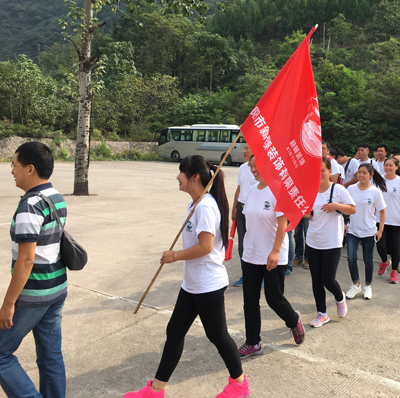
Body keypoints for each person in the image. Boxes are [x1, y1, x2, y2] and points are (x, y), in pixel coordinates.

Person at [125, 155, 250, 398]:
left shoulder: (205, 207)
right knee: (174, 332)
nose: (177, 177)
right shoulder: (196, 204)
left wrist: (175, 256)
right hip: (193, 284)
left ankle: (240, 384)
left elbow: (206, 247)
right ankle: (156, 390)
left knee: (218, 336)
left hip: (208, 284)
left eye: (181, 172)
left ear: (194, 177)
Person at [0, 142, 68, 398]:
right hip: (56, 288)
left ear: (30, 169)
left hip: (34, 294)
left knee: (1, 354)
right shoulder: (56, 196)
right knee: (50, 356)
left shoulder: (30, 205)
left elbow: (26, 260)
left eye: (14, 165)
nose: (11, 171)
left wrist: (8, 303)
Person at [238, 156, 305, 359]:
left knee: (274, 298)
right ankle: (253, 342)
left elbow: (283, 225)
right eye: (251, 166)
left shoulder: (278, 190)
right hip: (251, 253)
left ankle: (293, 321)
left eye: (256, 166)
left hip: (272, 254)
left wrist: (275, 251)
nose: (253, 170)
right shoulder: (251, 190)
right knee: (250, 300)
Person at [305, 157, 356, 327]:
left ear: (329, 171)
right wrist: (306, 213)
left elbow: (353, 209)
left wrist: (336, 206)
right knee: (316, 281)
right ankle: (322, 313)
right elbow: (307, 213)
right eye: (316, 171)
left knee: (328, 279)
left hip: (332, 242)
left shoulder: (338, 189)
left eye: (322, 170)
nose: (319, 174)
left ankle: (340, 297)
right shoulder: (310, 190)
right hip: (313, 240)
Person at [346, 163, 387, 300]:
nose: (361, 175)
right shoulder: (351, 189)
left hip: (369, 231)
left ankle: (368, 286)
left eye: (364, 173)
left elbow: (382, 211)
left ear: (371, 175)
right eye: (359, 172)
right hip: (352, 229)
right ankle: (356, 284)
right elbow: (345, 206)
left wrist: (380, 230)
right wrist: (344, 223)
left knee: (368, 260)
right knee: (351, 258)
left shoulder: (375, 192)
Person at [376, 157, 400, 281]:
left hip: (396, 219)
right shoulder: (379, 180)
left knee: (396, 246)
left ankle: (394, 272)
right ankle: (384, 261)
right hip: (380, 219)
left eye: (390, 165)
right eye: (386, 165)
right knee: (381, 244)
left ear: (397, 167)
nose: (388, 167)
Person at [231, 144, 258, 287]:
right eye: (244, 148)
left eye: (248, 148)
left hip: (254, 212)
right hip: (241, 210)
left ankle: (259, 277)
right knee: (242, 245)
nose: (244, 151)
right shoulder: (242, 168)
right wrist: (234, 208)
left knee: (255, 244)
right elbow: (239, 189)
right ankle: (245, 275)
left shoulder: (260, 170)